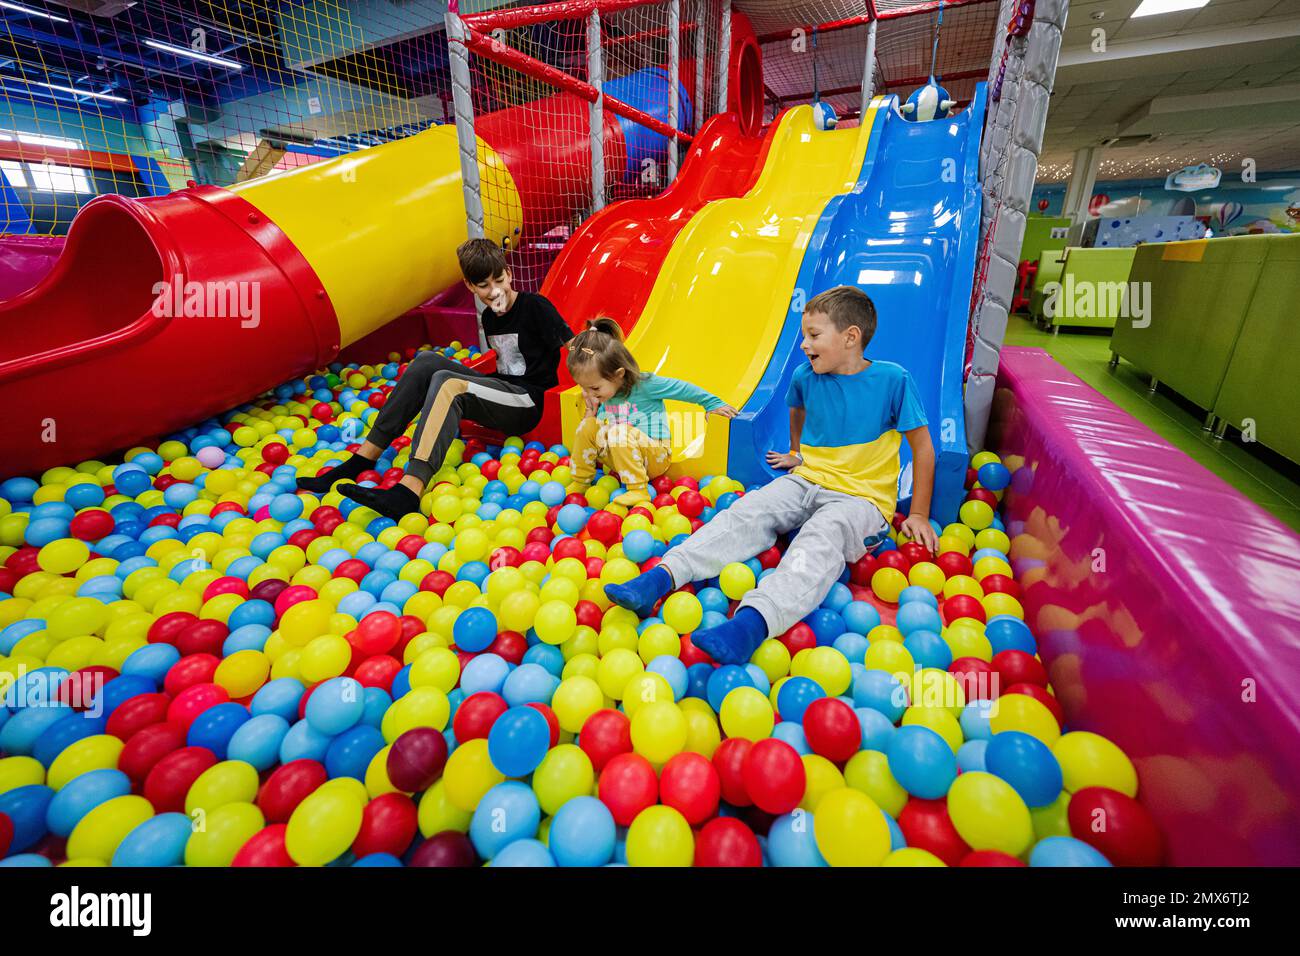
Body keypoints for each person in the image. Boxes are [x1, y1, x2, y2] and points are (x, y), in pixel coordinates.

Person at [605, 285, 940, 664]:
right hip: (808, 480)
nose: (803, 344)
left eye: (813, 336)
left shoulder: (893, 380)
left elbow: (923, 447)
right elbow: (798, 410)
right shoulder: (805, 375)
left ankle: (752, 623)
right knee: (750, 509)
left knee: (821, 536)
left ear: (851, 337)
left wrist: (918, 514)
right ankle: (663, 575)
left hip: (861, 500)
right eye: (803, 335)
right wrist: (797, 453)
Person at [296, 238, 573, 519]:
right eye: (484, 286)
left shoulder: (535, 306)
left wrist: (593, 387)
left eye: (499, 280)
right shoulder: (490, 318)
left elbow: (576, 347)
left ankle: (408, 491)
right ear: (469, 286)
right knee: (427, 362)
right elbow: (505, 367)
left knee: (447, 382)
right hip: (505, 391)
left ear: (509, 274)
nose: (495, 291)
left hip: (529, 401)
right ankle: (361, 459)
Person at [566, 317, 736, 507]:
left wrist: (712, 404)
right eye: (584, 387)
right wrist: (591, 413)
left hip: (655, 457)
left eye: (595, 389)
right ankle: (581, 480)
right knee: (588, 425)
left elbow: (683, 389)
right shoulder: (604, 394)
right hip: (621, 458)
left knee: (619, 430)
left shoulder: (645, 385)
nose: (589, 394)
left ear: (619, 374)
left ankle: (638, 490)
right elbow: (598, 429)